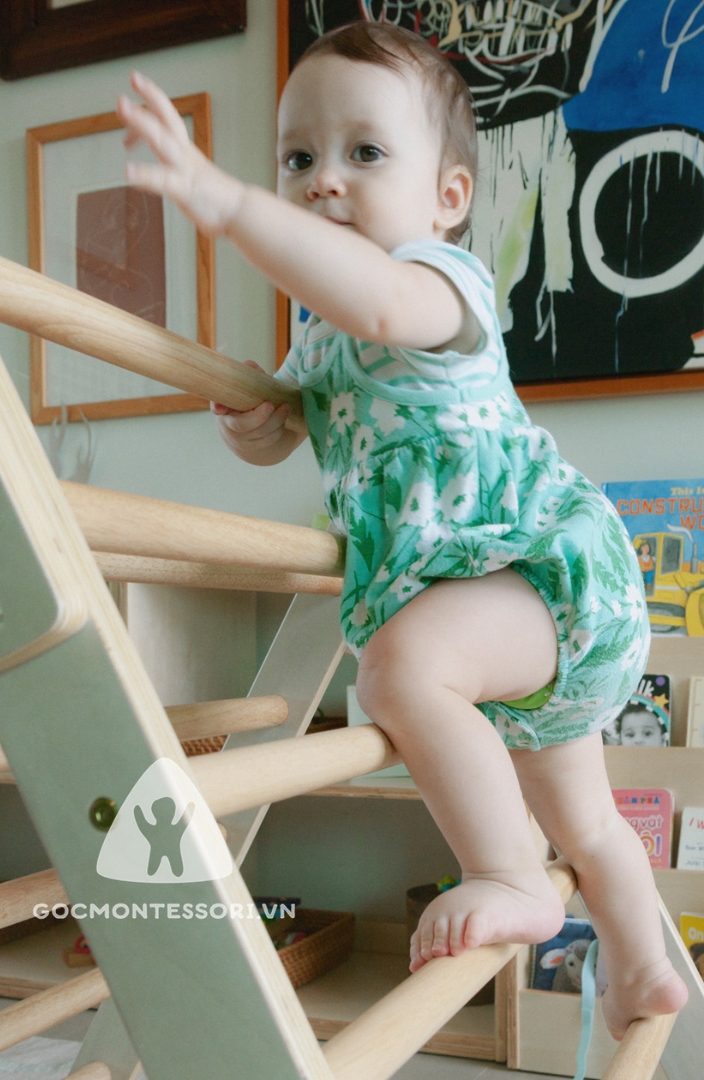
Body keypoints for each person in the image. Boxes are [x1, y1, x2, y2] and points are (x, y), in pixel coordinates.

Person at [116, 20, 688, 1039]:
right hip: (508, 616)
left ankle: (508, 873)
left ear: (448, 198)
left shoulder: (439, 286)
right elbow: (289, 429)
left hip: (545, 579)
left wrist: (228, 203)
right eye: (297, 159)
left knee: (395, 674)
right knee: (588, 820)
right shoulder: (321, 342)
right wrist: (257, 423)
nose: (323, 181)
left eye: (365, 152)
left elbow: (378, 305)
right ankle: (645, 969)